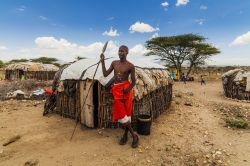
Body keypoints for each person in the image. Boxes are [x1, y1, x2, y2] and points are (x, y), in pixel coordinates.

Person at [100, 45, 139, 148]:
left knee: (127, 114)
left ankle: (125, 135)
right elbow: (105, 74)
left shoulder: (131, 66)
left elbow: (134, 81)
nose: (120, 53)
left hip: (126, 91)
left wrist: (128, 90)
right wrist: (103, 62)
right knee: (122, 114)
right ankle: (134, 136)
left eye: (122, 51)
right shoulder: (114, 63)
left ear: (127, 52)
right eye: (119, 51)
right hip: (117, 91)